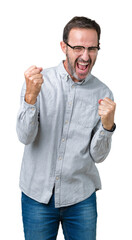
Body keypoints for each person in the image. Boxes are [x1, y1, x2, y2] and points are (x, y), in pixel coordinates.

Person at [16, 16, 116, 240]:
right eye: (78, 47)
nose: (85, 56)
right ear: (64, 47)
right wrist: (30, 98)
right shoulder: (38, 83)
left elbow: (98, 156)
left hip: (80, 198)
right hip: (37, 197)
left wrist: (108, 127)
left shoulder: (104, 94)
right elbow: (25, 136)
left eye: (92, 48)